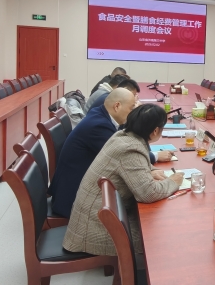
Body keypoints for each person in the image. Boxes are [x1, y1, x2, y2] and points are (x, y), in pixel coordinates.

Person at [63, 105, 185, 255]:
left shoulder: (122, 136)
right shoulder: (131, 149)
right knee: (164, 236)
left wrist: (151, 171)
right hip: (95, 231)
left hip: (93, 219)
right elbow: (148, 193)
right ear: (155, 131)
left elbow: (134, 164)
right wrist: (173, 181)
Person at [48, 89, 173, 218]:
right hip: (73, 199)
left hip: (79, 189)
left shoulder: (101, 116)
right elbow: (126, 156)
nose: (134, 113)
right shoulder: (99, 126)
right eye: (132, 108)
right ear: (117, 106)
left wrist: (148, 171)